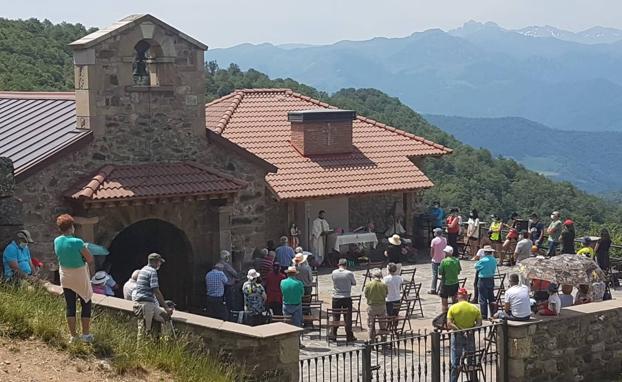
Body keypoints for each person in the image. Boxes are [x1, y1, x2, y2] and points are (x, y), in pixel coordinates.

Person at [53, 214, 95, 343]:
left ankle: (73, 336)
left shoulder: (57, 240)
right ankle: (86, 335)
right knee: (86, 302)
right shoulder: (78, 242)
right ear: (72, 227)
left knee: (70, 305)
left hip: (65, 275)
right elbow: (90, 259)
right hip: (79, 275)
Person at [132, 253, 173, 339]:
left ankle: (165, 341)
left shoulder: (143, 270)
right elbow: (156, 291)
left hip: (144, 303)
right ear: (155, 262)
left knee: (166, 318)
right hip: (146, 305)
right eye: (159, 262)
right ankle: (141, 351)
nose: (160, 264)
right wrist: (166, 307)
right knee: (145, 330)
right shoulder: (152, 271)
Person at [446, 288, 482, 382]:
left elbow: (449, 324)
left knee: (455, 361)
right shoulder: (474, 308)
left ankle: (453, 380)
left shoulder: (453, 308)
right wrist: (472, 329)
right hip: (470, 334)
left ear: (458, 296)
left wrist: (459, 329)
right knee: (471, 358)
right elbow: (479, 322)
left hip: (457, 335)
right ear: (466, 296)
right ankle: (473, 379)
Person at [329, 258, 357, 342]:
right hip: (346, 296)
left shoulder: (334, 272)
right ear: (346, 265)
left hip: (336, 296)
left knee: (336, 316)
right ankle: (349, 335)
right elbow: (354, 283)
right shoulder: (349, 273)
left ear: (338, 264)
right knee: (347, 317)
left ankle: (333, 334)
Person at [280, 266, 305, 348]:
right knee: (297, 325)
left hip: (286, 305)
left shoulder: (282, 282)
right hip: (296, 305)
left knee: (286, 324)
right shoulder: (299, 283)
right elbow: (302, 294)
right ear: (295, 274)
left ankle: (287, 342)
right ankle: (297, 342)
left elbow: (282, 292)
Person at [364, 269, 388, 341]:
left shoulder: (369, 284)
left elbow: (366, 294)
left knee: (371, 323)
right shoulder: (383, 284)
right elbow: (386, 294)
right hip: (381, 306)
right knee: (382, 323)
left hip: (372, 306)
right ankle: (383, 339)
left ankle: (371, 339)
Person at [474, 245, 497, 319]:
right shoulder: (494, 259)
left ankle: (484, 315)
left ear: (485, 252)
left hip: (483, 279)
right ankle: (493, 313)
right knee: (491, 296)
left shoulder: (483, 260)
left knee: (483, 298)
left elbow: (476, 266)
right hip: (491, 278)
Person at [438, 246, 461, 313]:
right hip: (455, 282)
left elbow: (440, 272)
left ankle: (445, 316)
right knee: (454, 301)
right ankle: (454, 314)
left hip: (446, 283)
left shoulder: (444, 261)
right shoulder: (456, 260)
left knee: (444, 301)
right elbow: (459, 271)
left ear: (447, 253)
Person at [217, 250, 238, 318]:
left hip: (220, 286)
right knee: (229, 302)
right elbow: (234, 273)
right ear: (225, 257)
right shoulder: (225, 264)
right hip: (228, 285)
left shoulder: (218, 264)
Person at [429, 228, 447, 294]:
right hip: (443, 259)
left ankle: (433, 289)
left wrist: (432, 256)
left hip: (435, 260)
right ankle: (441, 288)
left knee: (435, 275)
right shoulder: (444, 240)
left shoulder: (434, 240)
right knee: (443, 275)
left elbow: (432, 250)